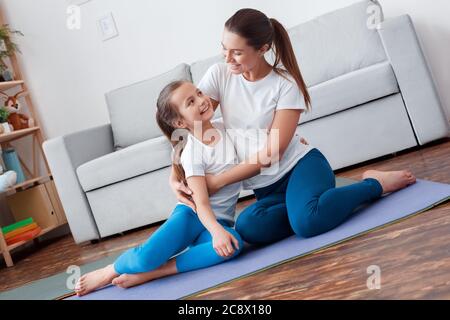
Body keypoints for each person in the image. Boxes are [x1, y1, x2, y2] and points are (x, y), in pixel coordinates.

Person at [171, 8, 417, 246]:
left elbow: (272, 154)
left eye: (236, 52)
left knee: (307, 224)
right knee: (248, 227)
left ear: (263, 49)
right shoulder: (219, 75)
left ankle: (374, 184)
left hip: (300, 167)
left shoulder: (285, 85)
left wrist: (218, 181)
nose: (227, 58)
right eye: (224, 49)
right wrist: (175, 175)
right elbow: (195, 127)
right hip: (266, 186)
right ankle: (315, 202)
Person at [75, 81, 244, 296]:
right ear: (180, 121)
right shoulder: (192, 153)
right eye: (191, 102)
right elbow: (200, 203)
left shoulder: (226, 127)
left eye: (199, 93)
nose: (202, 101)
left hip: (217, 221)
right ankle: (111, 270)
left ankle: (156, 272)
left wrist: (219, 230)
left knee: (234, 244)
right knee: (145, 259)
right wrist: (216, 230)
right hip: (191, 216)